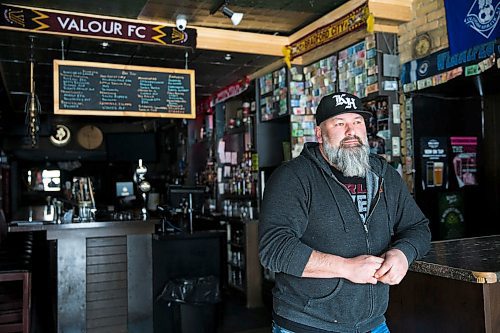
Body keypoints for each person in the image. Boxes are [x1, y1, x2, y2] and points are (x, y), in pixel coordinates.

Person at [259, 92, 431, 333]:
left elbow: (418, 227)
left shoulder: (384, 175)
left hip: (374, 324)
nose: (351, 130)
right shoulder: (293, 177)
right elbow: (274, 247)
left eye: (357, 122)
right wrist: (346, 267)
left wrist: (404, 254)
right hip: (307, 324)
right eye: (340, 123)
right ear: (320, 133)